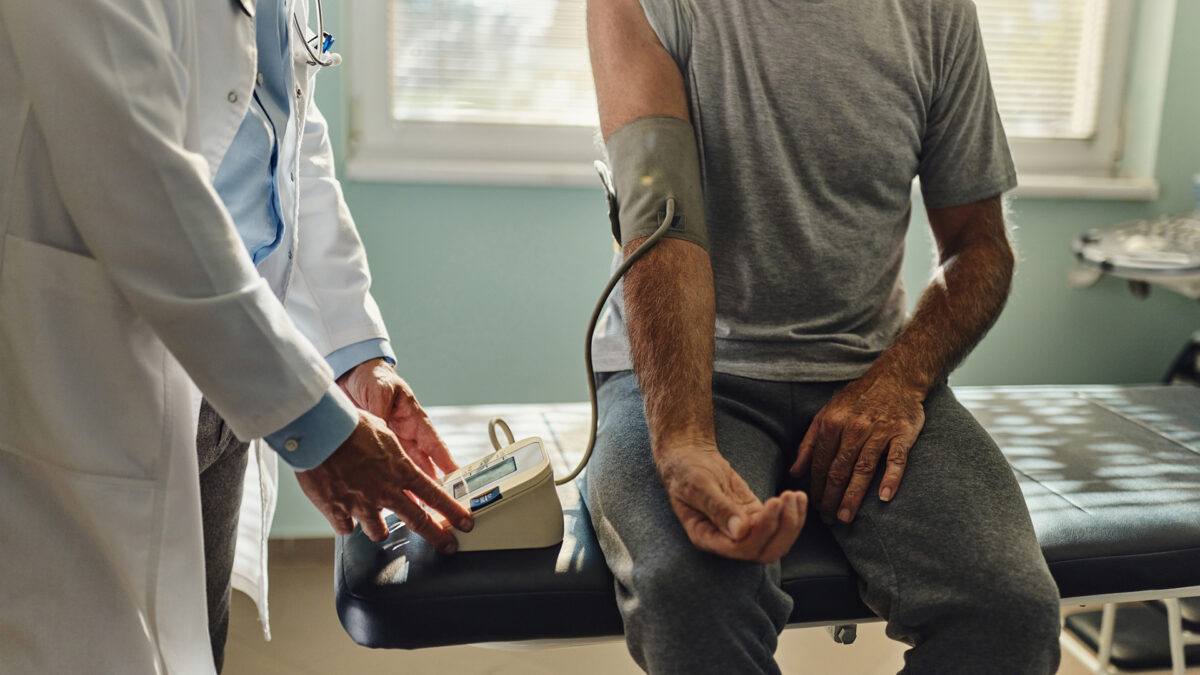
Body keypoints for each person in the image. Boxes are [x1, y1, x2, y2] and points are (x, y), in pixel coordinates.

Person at [584, 0, 1062, 673]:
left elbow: (979, 249)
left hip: (868, 374)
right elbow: (663, 220)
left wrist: (899, 380)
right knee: (692, 596)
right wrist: (684, 437)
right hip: (688, 374)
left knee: (1010, 612)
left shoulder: (935, 13)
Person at [0, 1, 471, 673]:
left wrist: (351, 353)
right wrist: (310, 417)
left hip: (229, 384)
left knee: (195, 645)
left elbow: (286, 130)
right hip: (85, 364)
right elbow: (136, 174)